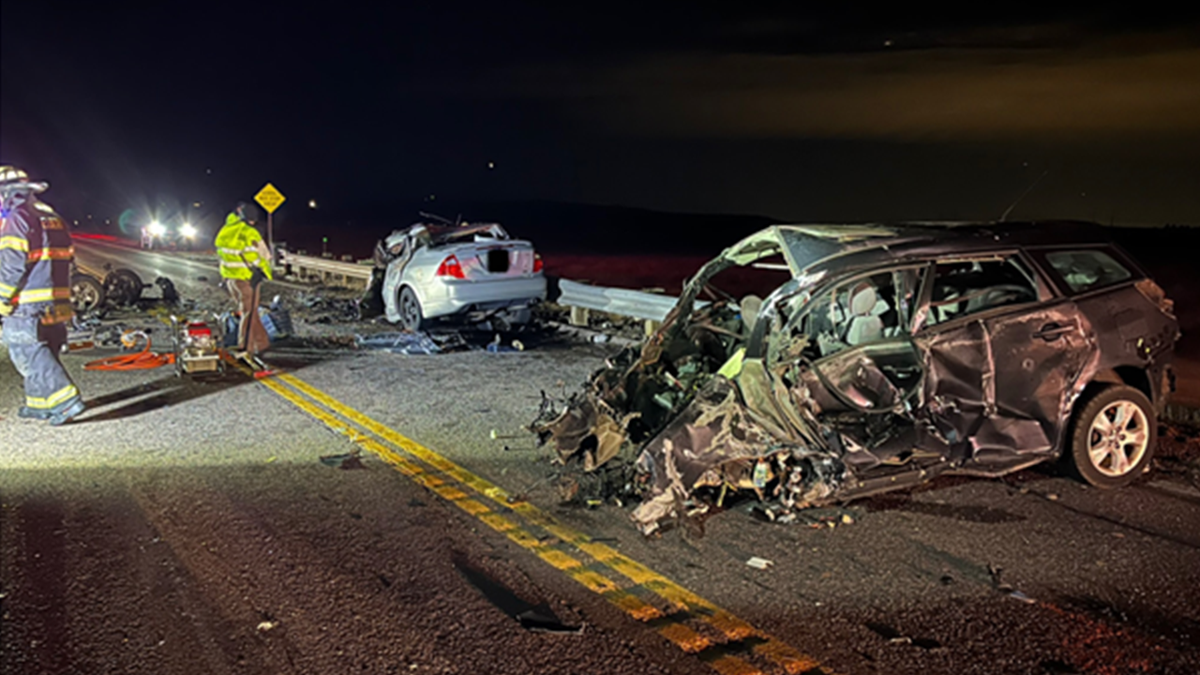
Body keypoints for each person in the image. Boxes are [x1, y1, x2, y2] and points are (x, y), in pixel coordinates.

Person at [0, 165, 85, 425]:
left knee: (28, 351)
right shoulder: (51, 216)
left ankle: (65, 402)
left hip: (29, 301)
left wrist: (2, 299)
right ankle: (38, 402)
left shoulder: (17, 218)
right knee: (45, 347)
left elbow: (12, 264)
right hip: (57, 300)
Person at [214, 201, 272, 357]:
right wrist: (261, 269)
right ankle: (245, 347)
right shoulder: (249, 232)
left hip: (231, 278)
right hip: (248, 278)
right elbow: (255, 256)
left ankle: (262, 343)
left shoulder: (226, 230)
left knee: (251, 311)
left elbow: (221, 254)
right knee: (249, 313)